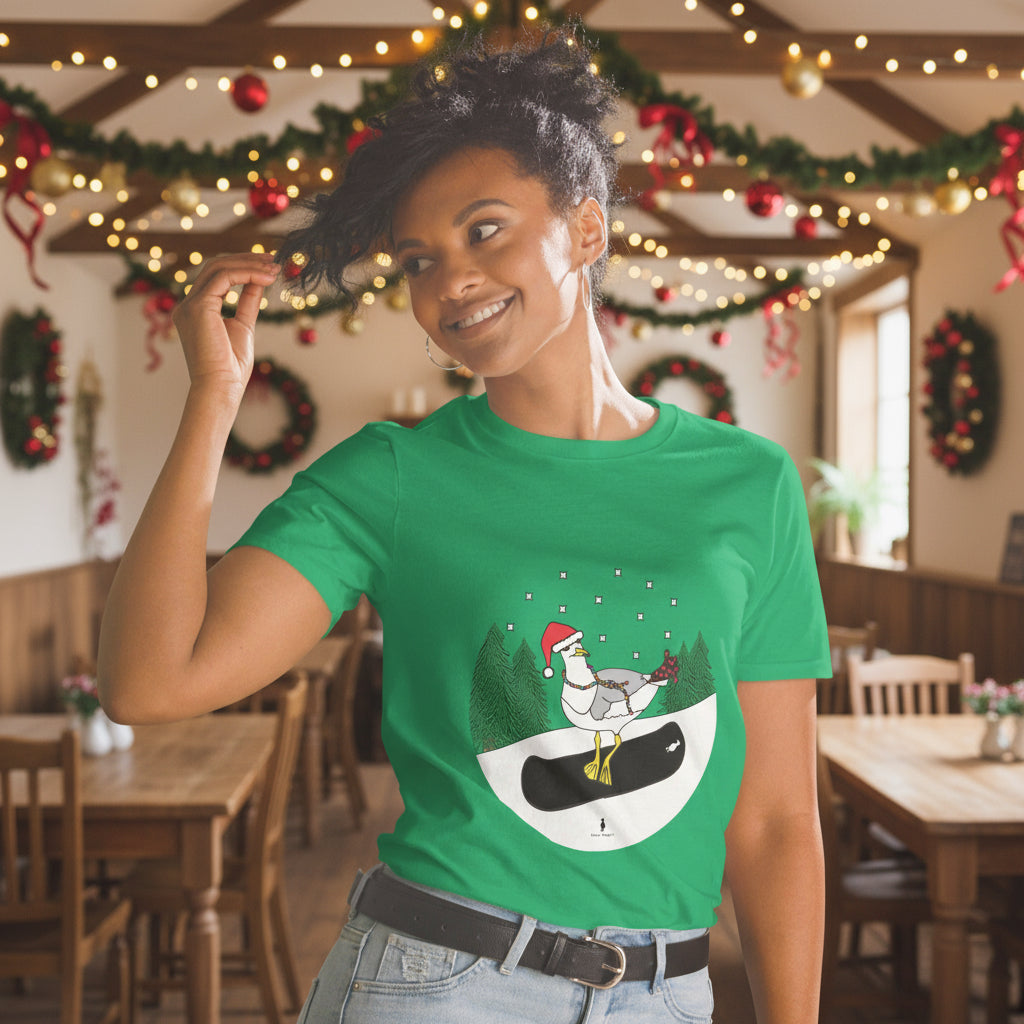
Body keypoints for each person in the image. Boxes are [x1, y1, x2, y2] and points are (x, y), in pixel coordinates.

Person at [98, 26, 832, 1024]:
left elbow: (779, 819)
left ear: (583, 229)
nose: (449, 282)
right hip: (439, 983)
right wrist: (213, 404)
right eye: (417, 259)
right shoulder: (391, 475)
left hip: (667, 996)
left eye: (484, 230)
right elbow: (151, 681)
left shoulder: (749, 482)